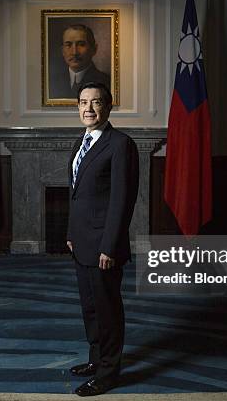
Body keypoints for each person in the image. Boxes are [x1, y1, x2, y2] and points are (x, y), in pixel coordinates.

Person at [66, 82, 139, 396]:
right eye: (83, 102)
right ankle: (96, 360)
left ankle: (109, 373)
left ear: (108, 107)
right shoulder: (80, 141)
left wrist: (110, 246)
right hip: (81, 243)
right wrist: (70, 235)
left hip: (104, 247)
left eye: (96, 103)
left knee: (107, 310)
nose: (89, 109)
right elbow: (77, 196)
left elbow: (122, 200)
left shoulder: (120, 144)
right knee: (90, 307)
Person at [50, 25, 111, 99]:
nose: (74, 52)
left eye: (81, 45)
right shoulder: (52, 81)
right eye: (68, 45)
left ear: (94, 49)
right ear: (62, 51)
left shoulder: (106, 82)